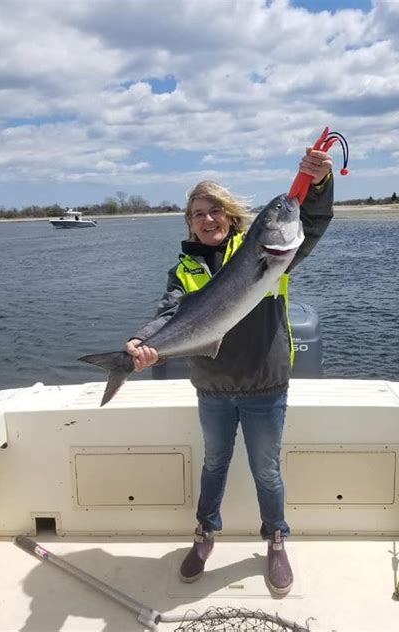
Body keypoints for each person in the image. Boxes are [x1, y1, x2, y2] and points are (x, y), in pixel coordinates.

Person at [126, 147, 333, 595]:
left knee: (266, 471)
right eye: (198, 213)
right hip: (214, 389)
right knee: (214, 465)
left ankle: (275, 539)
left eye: (215, 210)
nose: (207, 219)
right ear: (189, 223)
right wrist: (141, 344)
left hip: (264, 386)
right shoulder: (183, 270)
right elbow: (166, 316)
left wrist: (318, 184)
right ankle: (204, 537)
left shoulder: (268, 253)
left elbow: (310, 222)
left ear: (230, 215)